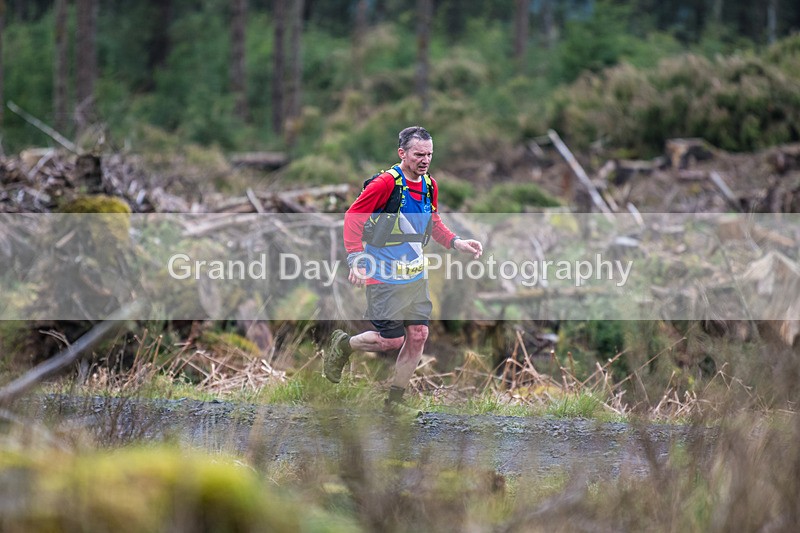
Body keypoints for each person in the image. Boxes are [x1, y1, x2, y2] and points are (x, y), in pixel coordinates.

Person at [323, 126, 483, 408]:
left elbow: (432, 223)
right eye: (419, 154)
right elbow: (353, 218)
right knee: (391, 341)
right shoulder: (385, 184)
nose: (425, 160)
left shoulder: (430, 185)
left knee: (419, 335)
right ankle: (344, 345)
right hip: (383, 277)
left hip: (415, 277)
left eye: (429, 154)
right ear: (402, 153)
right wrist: (357, 260)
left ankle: (395, 402)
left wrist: (456, 242)